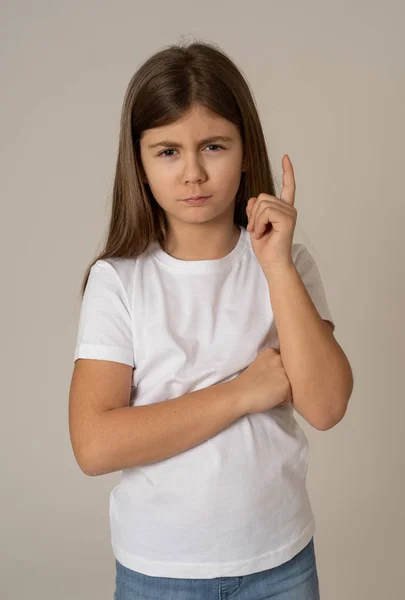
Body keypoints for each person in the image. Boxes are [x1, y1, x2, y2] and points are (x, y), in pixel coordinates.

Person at [69, 39, 353, 600]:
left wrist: (275, 267)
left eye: (214, 146)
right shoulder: (120, 280)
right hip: (159, 570)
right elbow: (95, 444)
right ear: (140, 163)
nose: (193, 173)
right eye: (168, 151)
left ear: (246, 150)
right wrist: (243, 392)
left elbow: (326, 406)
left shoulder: (287, 262)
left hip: (281, 561)